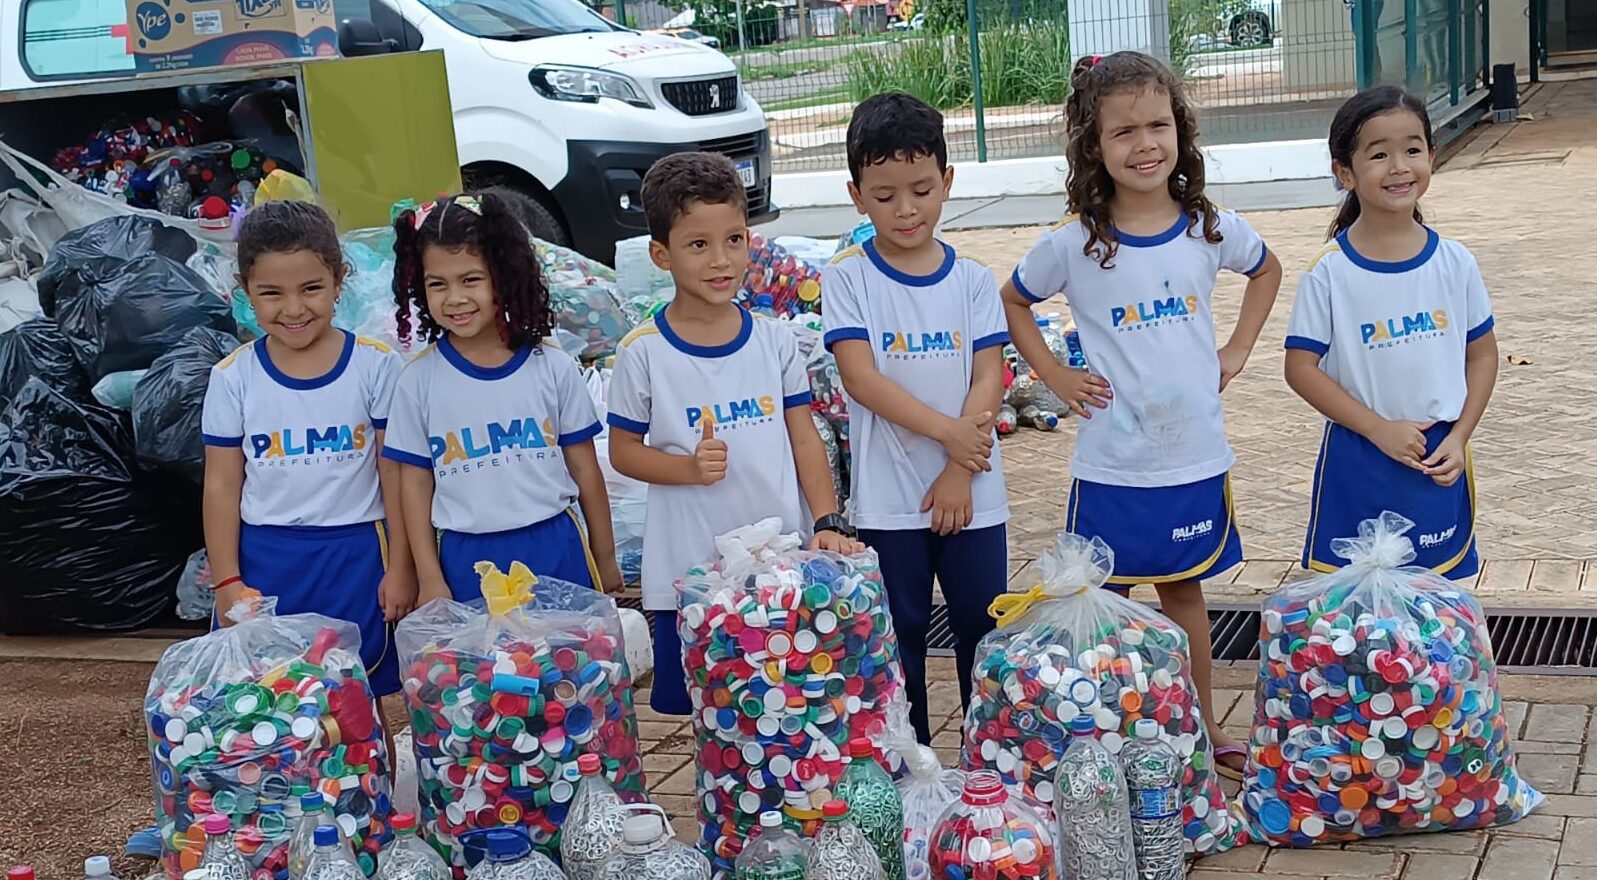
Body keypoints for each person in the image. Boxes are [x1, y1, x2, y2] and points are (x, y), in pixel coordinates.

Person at [999, 51, 1283, 777]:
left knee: (1184, 592)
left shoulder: (1205, 228)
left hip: (1190, 456)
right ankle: (1112, 727)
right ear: (1093, 146)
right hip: (1112, 464)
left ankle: (1202, 727)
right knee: (1103, 602)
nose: (1144, 143)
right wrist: (1054, 374)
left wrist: (1237, 347)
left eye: (1158, 124)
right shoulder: (1072, 243)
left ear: (1180, 132)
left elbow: (1266, 269)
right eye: (1123, 131)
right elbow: (1014, 300)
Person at [607, 151, 862, 716]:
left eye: (734, 240)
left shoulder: (773, 342)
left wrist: (825, 521)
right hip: (689, 576)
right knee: (711, 712)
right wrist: (686, 469)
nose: (721, 260)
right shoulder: (643, 353)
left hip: (779, 568)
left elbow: (804, 438)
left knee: (791, 700)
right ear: (660, 254)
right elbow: (623, 452)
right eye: (698, 245)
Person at [822, 93, 1012, 746]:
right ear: (856, 195)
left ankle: (987, 775)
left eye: (921, 190)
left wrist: (961, 464)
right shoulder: (847, 279)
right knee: (897, 637)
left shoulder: (973, 280)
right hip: (888, 502)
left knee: (982, 634)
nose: (905, 210)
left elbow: (989, 374)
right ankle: (910, 775)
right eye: (884, 196)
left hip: (974, 492)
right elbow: (860, 377)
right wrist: (947, 434)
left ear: (947, 182)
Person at [200, 201, 413, 700]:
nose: (293, 309)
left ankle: (369, 782)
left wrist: (401, 565)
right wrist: (227, 580)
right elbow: (221, 483)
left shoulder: (376, 366)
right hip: (266, 563)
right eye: (271, 294)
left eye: (311, 288)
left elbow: (395, 475)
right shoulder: (233, 377)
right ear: (245, 292)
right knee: (269, 701)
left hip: (358, 556)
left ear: (340, 281)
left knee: (355, 694)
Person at [1285, 86, 1496, 578]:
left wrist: (1460, 436)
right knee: (1361, 616)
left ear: (1432, 157)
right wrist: (1378, 428)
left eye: (1413, 149)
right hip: (1360, 456)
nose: (1399, 166)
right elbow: (1299, 368)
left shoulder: (1455, 262)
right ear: (1345, 173)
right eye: (1379, 154)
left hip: (1437, 458)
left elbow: (1483, 356)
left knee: (1441, 609)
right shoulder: (1330, 272)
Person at [381, 192, 621, 602]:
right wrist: (429, 576)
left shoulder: (553, 366)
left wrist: (605, 554)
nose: (454, 298)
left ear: (504, 275)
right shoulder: (416, 381)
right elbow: (415, 486)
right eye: (437, 284)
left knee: (568, 664)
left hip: (555, 548)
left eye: (470, 279)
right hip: (464, 560)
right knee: (483, 669)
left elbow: (585, 470)